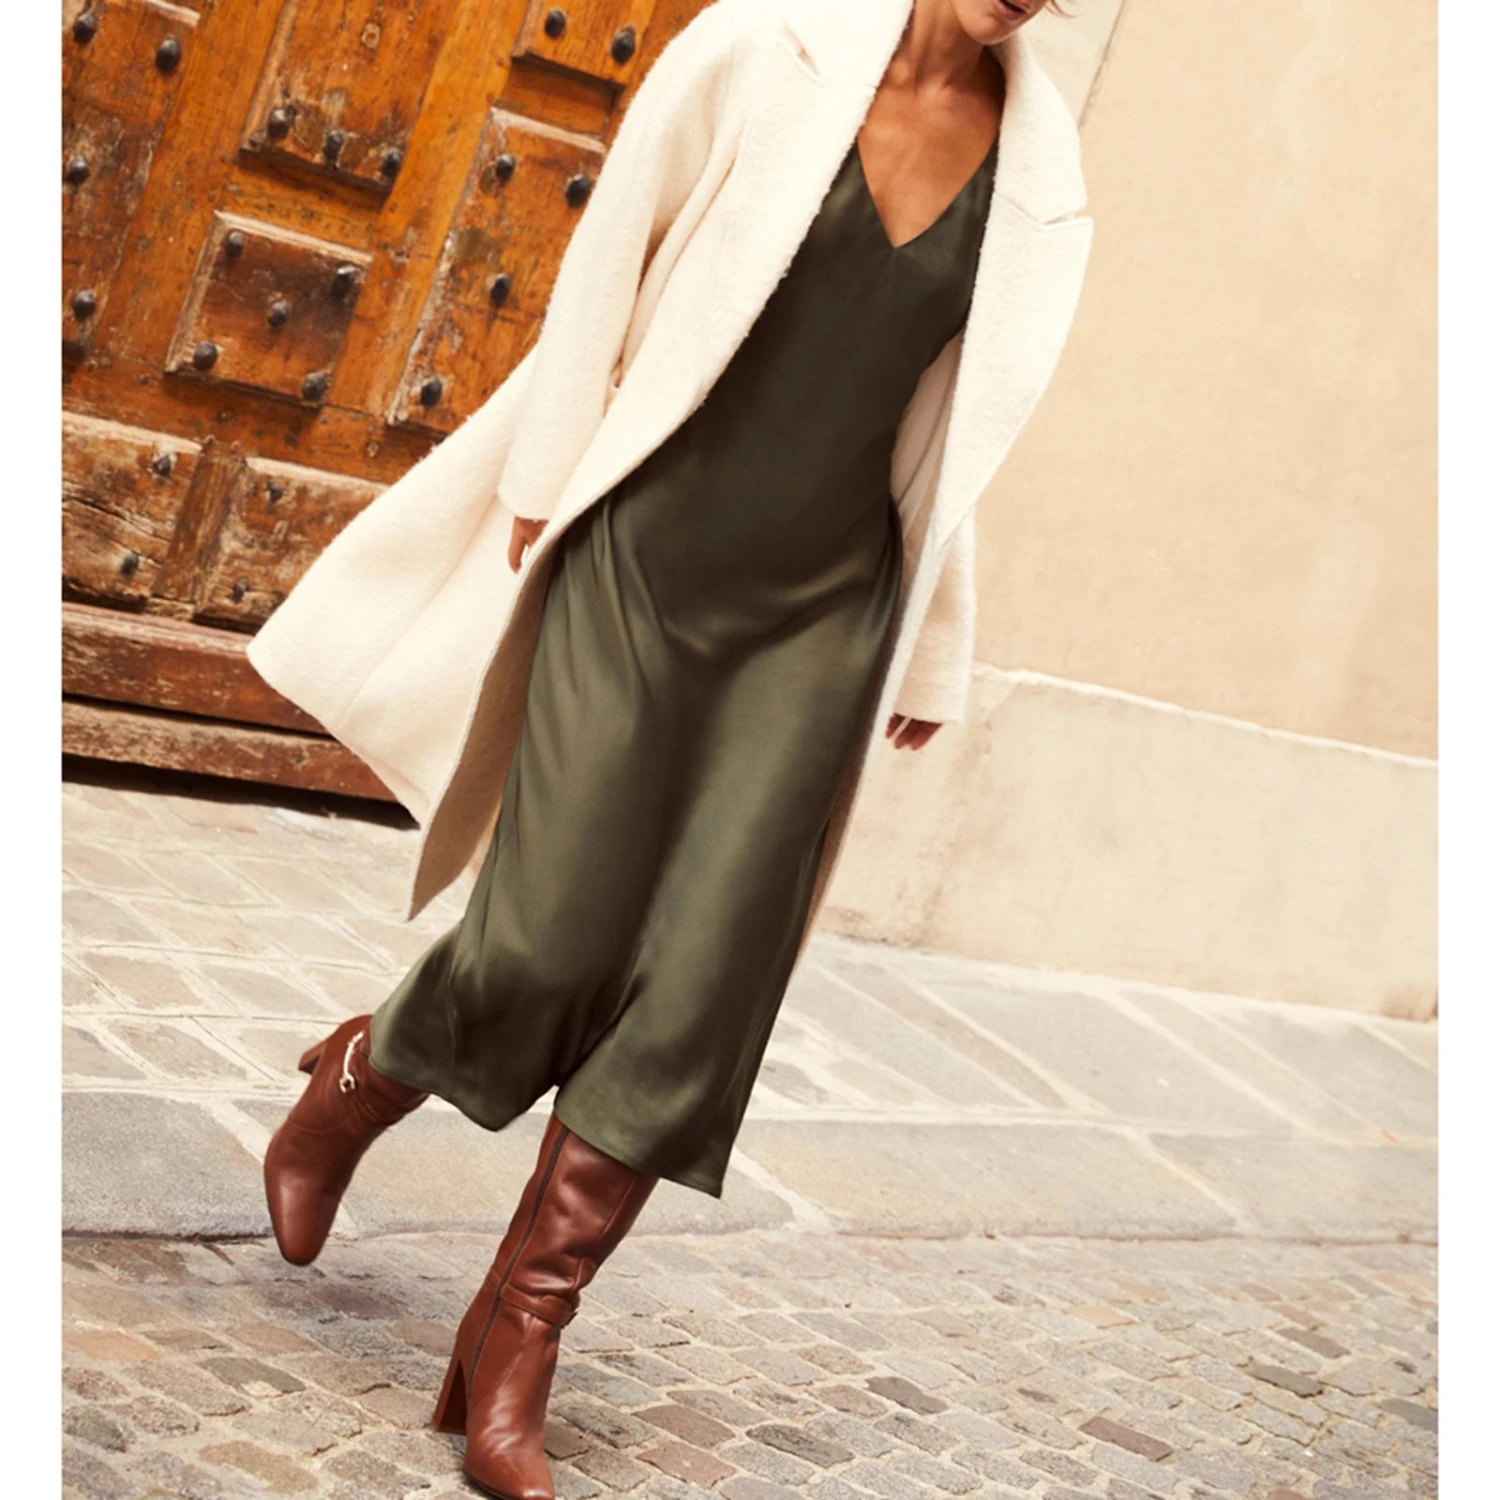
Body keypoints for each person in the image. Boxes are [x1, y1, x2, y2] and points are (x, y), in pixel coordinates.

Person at [248, 0, 1091, 1495]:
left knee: (703, 986)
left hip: (820, 618)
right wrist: (545, 466)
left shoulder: (1039, 174)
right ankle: (362, 1079)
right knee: (545, 940)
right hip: (643, 551)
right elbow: (610, 259)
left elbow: (955, 432)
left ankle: (519, 1335)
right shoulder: (758, 49)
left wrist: (935, 640)